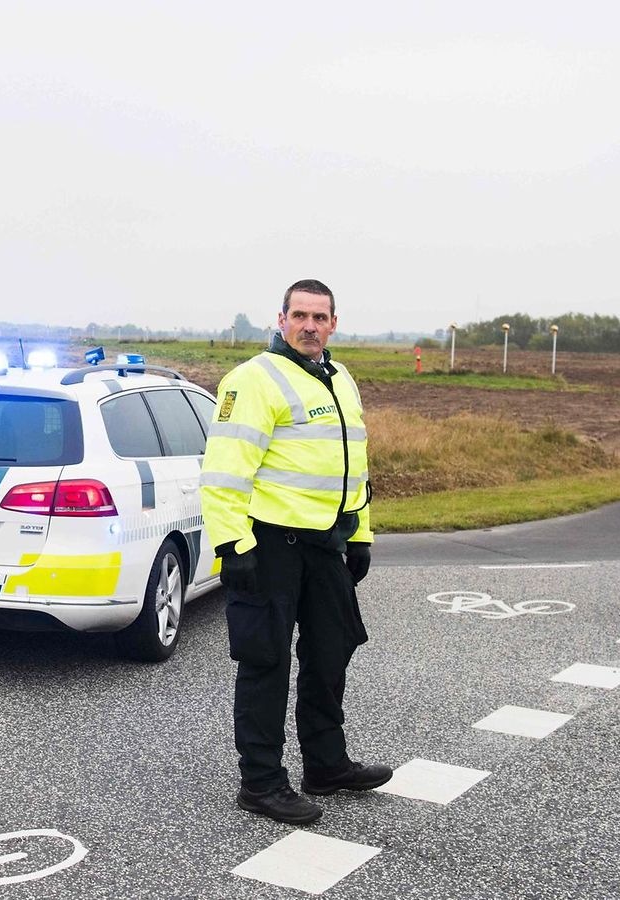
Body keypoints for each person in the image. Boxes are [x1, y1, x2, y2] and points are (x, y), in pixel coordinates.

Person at [199, 279, 391, 826]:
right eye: (300, 315)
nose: (311, 325)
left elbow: (354, 465)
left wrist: (361, 534)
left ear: (334, 323)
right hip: (269, 545)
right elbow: (223, 473)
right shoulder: (254, 380)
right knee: (266, 663)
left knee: (331, 654)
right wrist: (234, 546)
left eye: (320, 317)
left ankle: (326, 766)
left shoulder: (339, 376)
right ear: (280, 319)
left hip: (326, 544)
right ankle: (261, 783)